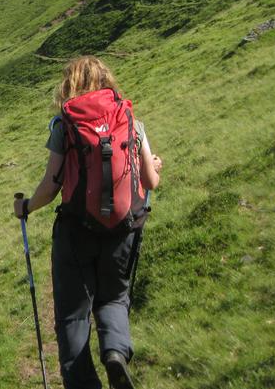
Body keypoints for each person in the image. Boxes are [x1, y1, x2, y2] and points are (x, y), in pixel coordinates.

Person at [15, 56, 162, 389]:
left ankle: (83, 383)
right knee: (113, 299)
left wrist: (25, 206)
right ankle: (115, 353)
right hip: (124, 229)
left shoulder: (63, 124)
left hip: (76, 232)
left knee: (73, 315)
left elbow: (51, 185)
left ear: (69, 84)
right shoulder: (129, 118)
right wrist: (153, 163)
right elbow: (151, 182)